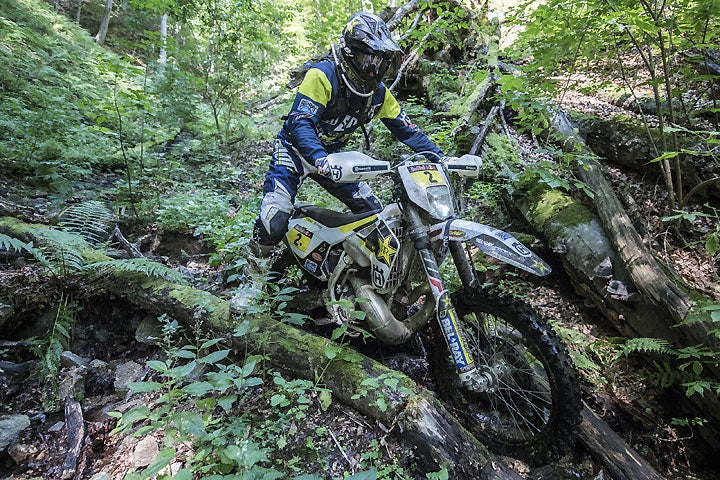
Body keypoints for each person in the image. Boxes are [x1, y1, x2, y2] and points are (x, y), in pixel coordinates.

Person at [250, 11, 445, 260]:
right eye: (367, 58)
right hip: (295, 151)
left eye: (379, 60)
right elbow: (301, 124)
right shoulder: (322, 75)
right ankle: (253, 275)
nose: (373, 67)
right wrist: (320, 158)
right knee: (273, 222)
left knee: (375, 215)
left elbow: (407, 129)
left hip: (334, 157)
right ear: (350, 53)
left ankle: (352, 273)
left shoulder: (379, 94)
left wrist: (439, 157)